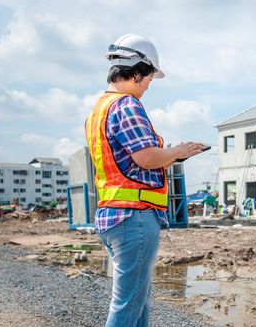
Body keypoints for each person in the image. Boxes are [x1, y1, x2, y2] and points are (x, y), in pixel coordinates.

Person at [85, 33, 204, 327]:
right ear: (138, 71)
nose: (150, 83)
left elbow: (131, 162)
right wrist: (176, 150)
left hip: (114, 215)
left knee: (137, 303)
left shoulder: (98, 110)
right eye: (150, 77)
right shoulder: (127, 105)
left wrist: (175, 155)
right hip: (133, 217)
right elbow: (145, 157)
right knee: (127, 306)